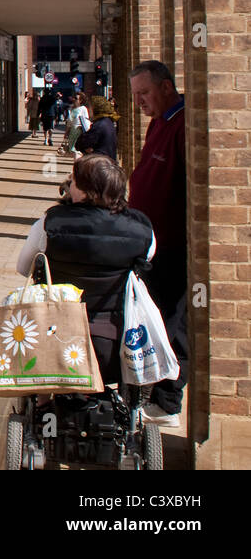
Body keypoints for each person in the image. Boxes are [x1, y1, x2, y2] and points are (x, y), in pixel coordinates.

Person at [17, 155, 154, 385]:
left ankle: (42, 400)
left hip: (56, 336)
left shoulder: (50, 222)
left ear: (84, 190)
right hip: (117, 339)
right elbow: (147, 262)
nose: (69, 185)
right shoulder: (142, 227)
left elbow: (23, 267)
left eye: (74, 181)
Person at [126, 60, 187, 426]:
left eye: (144, 93)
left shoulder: (183, 125)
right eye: (135, 95)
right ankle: (153, 385)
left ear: (167, 87)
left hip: (171, 246)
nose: (139, 102)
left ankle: (168, 401)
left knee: (173, 322)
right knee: (154, 317)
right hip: (150, 244)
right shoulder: (157, 124)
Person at [77, 94, 120, 162]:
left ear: (95, 109)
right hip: (108, 161)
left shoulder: (99, 125)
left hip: (101, 164)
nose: (88, 111)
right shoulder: (108, 121)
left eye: (89, 108)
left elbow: (81, 143)